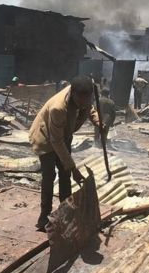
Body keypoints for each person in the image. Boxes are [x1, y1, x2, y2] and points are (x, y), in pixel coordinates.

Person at [29, 76, 101, 231]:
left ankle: (66, 213)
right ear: (73, 94)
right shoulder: (58, 108)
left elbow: (90, 107)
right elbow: (57, 142)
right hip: (46, 138)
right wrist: (73, 168)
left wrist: (98, 121)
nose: (83, 104)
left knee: (65, 175)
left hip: (64, 134)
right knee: (49, 176)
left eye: (86, 100)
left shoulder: (85, 96)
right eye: (80, 101)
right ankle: (44, 218)